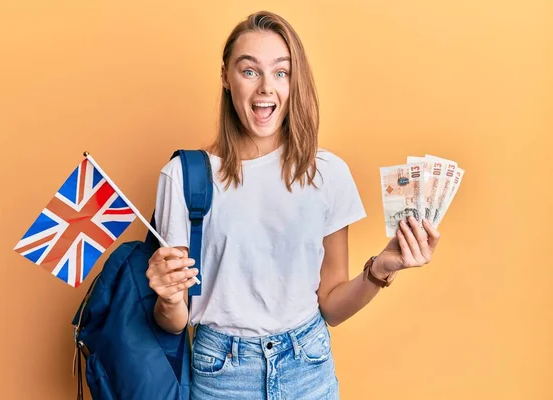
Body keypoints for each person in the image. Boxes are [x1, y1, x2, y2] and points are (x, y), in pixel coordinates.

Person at [145, 10, 441, 400]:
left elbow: (331, 307)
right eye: (249, 71)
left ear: (294, 81)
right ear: (225, 77)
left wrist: (381, 269)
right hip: (221, 373)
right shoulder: (184, 176)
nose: (266, 87)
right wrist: (168, 298)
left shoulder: (327, 172)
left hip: (309, 368)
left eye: (281, 72)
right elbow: (173, 323)